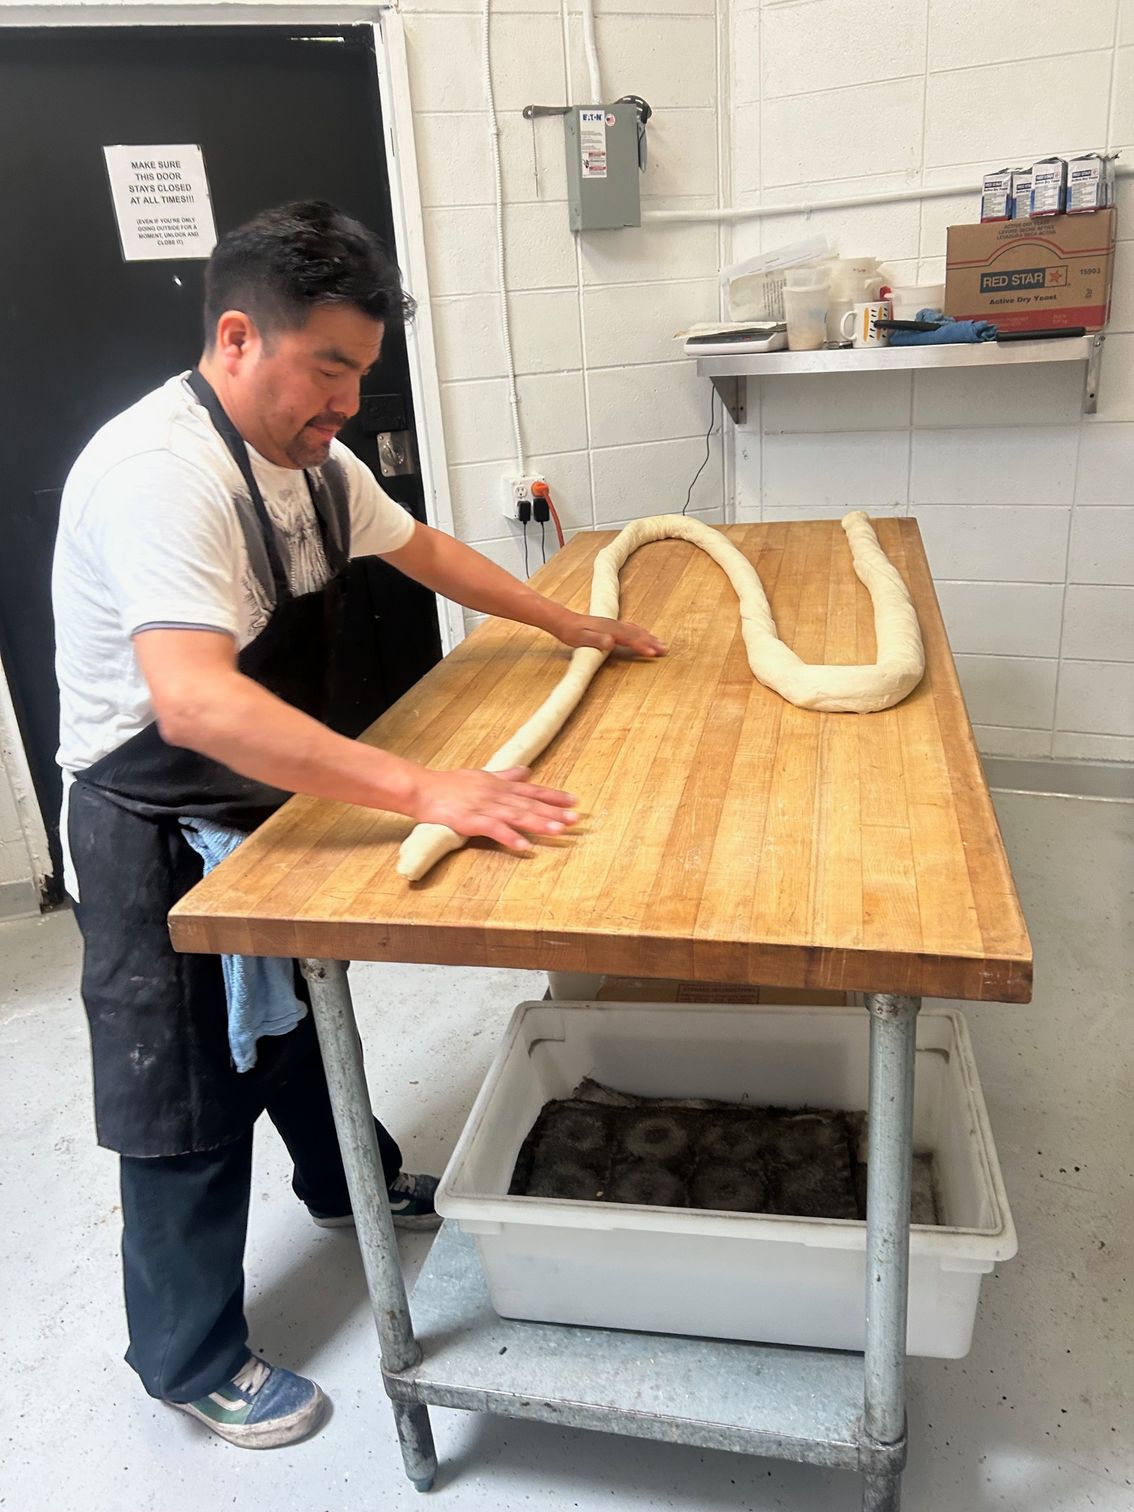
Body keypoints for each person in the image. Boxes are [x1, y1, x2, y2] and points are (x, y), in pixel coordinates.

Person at [52, 200, 664, 1451]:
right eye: (327, 368)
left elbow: (428, 549)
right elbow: (197, 699)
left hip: (261, 794)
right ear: (238, 339)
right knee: (186, 1096)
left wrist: (566, 622)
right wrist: (429, 790)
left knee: (298, 1016)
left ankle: (349, 1184)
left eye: (362, 374)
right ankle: (190, 1358)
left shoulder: (317, 466)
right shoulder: (161, 475)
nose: (346, 400)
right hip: (152, 818)